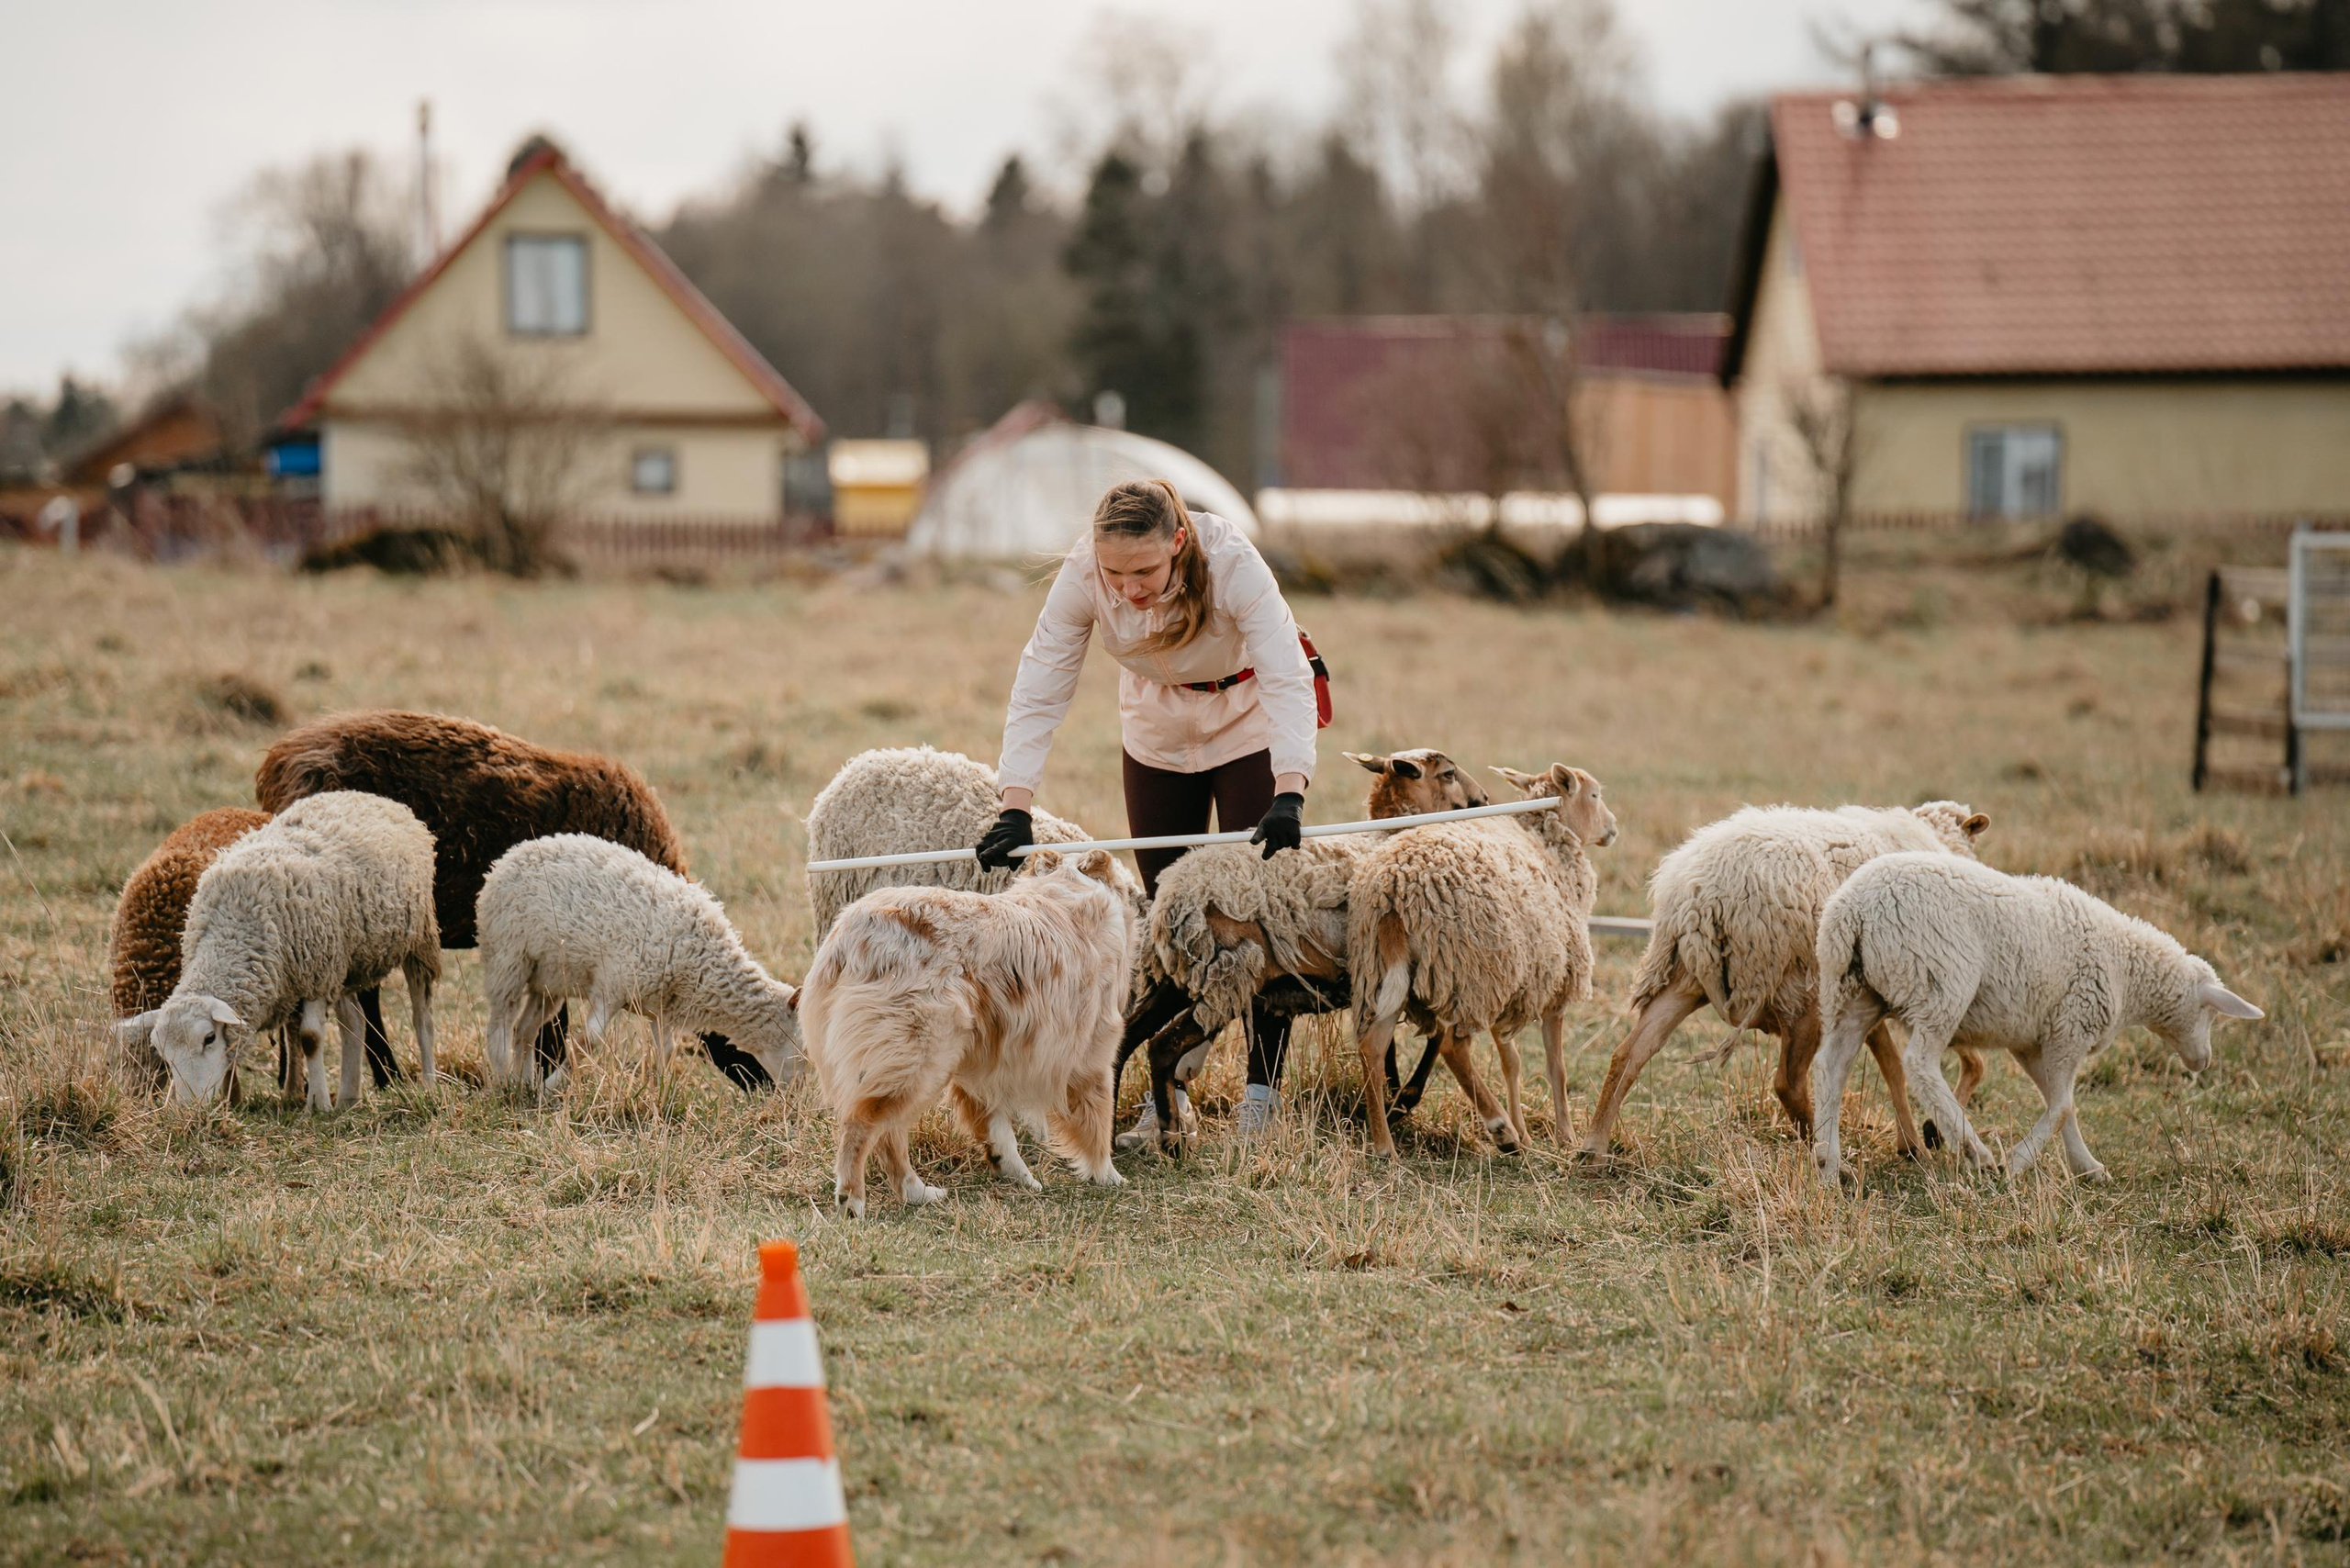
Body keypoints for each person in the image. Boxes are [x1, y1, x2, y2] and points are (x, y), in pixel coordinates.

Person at [977, 477, 1321, 1138]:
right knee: (1172, 921)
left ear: (1179, 544)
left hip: (1245, 721)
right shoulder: (1084, 575)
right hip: (1156, 734)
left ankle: (1262, 1097)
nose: (1128, 587)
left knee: (1260, 910)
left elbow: (1286, 672)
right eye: (1115, 572)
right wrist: (1013, 805)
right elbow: (1042, 680)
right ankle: (1169, 1095)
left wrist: (1290, 788)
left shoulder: (1232, 564)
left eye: (1144, 570)